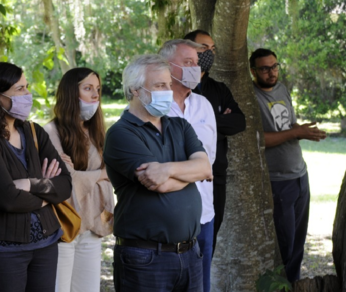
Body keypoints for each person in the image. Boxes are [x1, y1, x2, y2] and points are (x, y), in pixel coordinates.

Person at [103, 54, 213, 292]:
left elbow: (205, 167)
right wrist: (190, 173)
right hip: (145, 258)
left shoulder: (180, 126)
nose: (168, 92)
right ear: (135, 89)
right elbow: (157, 184)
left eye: (169, 85)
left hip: (190, 253)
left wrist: (167, 169)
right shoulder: (121, 134)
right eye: (159, 86)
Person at [0, 62, 73, 292]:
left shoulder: (33, 132)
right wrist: (46, 196)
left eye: (27, 87)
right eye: (19, 89)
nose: (28, 95)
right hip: (1, 253)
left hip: (45, 245)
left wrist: (29, 184)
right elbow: (7, 199)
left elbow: (65, 185)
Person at [250, 48, 327, 282]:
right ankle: (278, 286)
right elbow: (257, 140)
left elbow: (287, 126)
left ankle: (291, 285)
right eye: (265, 69)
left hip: (299, 174)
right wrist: (296, 132)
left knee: (298, 243)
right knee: (283, 244)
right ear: (253, 71)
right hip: (277, 181)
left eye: (275, 66)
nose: (271, 73)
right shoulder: (251, 97)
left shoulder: (282, 89)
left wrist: (300, 131)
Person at [43, 67, 115, 292]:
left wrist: (84, 175)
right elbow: (67, 183)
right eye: (87, 88)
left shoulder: (97, 133)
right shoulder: (51, 132)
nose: (95, 95)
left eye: (98, 89)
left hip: (92, 226)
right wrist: (102, 174)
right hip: (63, 229)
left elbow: (112, 177)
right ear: (71, 94)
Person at [159, 39, 218, 292]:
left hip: (204, 214)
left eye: (196, 62)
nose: (196, 68)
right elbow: (154, 167)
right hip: (167, 218)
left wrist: (178, 170)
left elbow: (209, 161)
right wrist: (194, 170)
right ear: (167, 67)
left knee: (200, 286)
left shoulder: (203, 105)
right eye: (188, 63)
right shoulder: (155, 108)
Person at [184, 30, 246, 254]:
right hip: (182, 176)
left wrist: (204, 122)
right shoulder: (175, 88)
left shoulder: (218, 89)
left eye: (212, 48)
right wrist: (217, 122)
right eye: (203, 48)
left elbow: (239, 122)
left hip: (214, 177)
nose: (209, 53)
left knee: (208, 243)